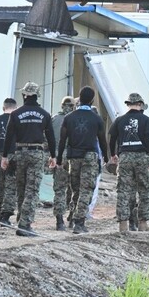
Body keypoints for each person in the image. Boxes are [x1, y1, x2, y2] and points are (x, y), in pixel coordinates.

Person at [1, 82, 56, 237]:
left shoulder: (15, 114)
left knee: (21, 188)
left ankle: (21, 218)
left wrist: (5, 156)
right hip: (37, 152)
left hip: (19, 151)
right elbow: (50, 137)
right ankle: (25, 225)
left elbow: (8, 136)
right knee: (32, 190)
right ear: (37, 95)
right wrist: (53, 156)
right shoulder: (44, 114)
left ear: (24, 95)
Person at [55, 86, 107, 234]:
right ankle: (79, 222)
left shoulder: (69, 117)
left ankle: (72, 217)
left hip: (73, 157)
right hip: (90, 156)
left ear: (79, 98)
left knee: (75, 189)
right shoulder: (96, 118)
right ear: (91, 100)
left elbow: (62, 140)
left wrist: (59, 159)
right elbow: (102, 140)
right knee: (86, 189)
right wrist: (108, 157)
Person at [108, 93, 149, 232]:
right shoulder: (146, 120)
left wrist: (113, 154)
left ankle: (123, 224)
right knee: (145, 189)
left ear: (128, 104)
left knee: (123, 190)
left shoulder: (120, 120)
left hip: (124, 157)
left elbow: (112, 138)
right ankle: (143, 223)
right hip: (142, 157)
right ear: (140, 104)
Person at [48, 96, 74, 231]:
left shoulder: (54, 119)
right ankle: (72, 217)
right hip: (74, 156)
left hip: (59, 157)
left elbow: (48, 139)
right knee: (74, 189)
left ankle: (59, 221)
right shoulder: (77, 118)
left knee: (59, 190)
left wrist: (51, 155)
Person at [0, 97, 17, 228]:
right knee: (11, 187)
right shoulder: (18, 119)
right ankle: (5, 215)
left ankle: (0, 211)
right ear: (16, 107)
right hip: (14, 154)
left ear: (3, 108)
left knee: (0, 185)